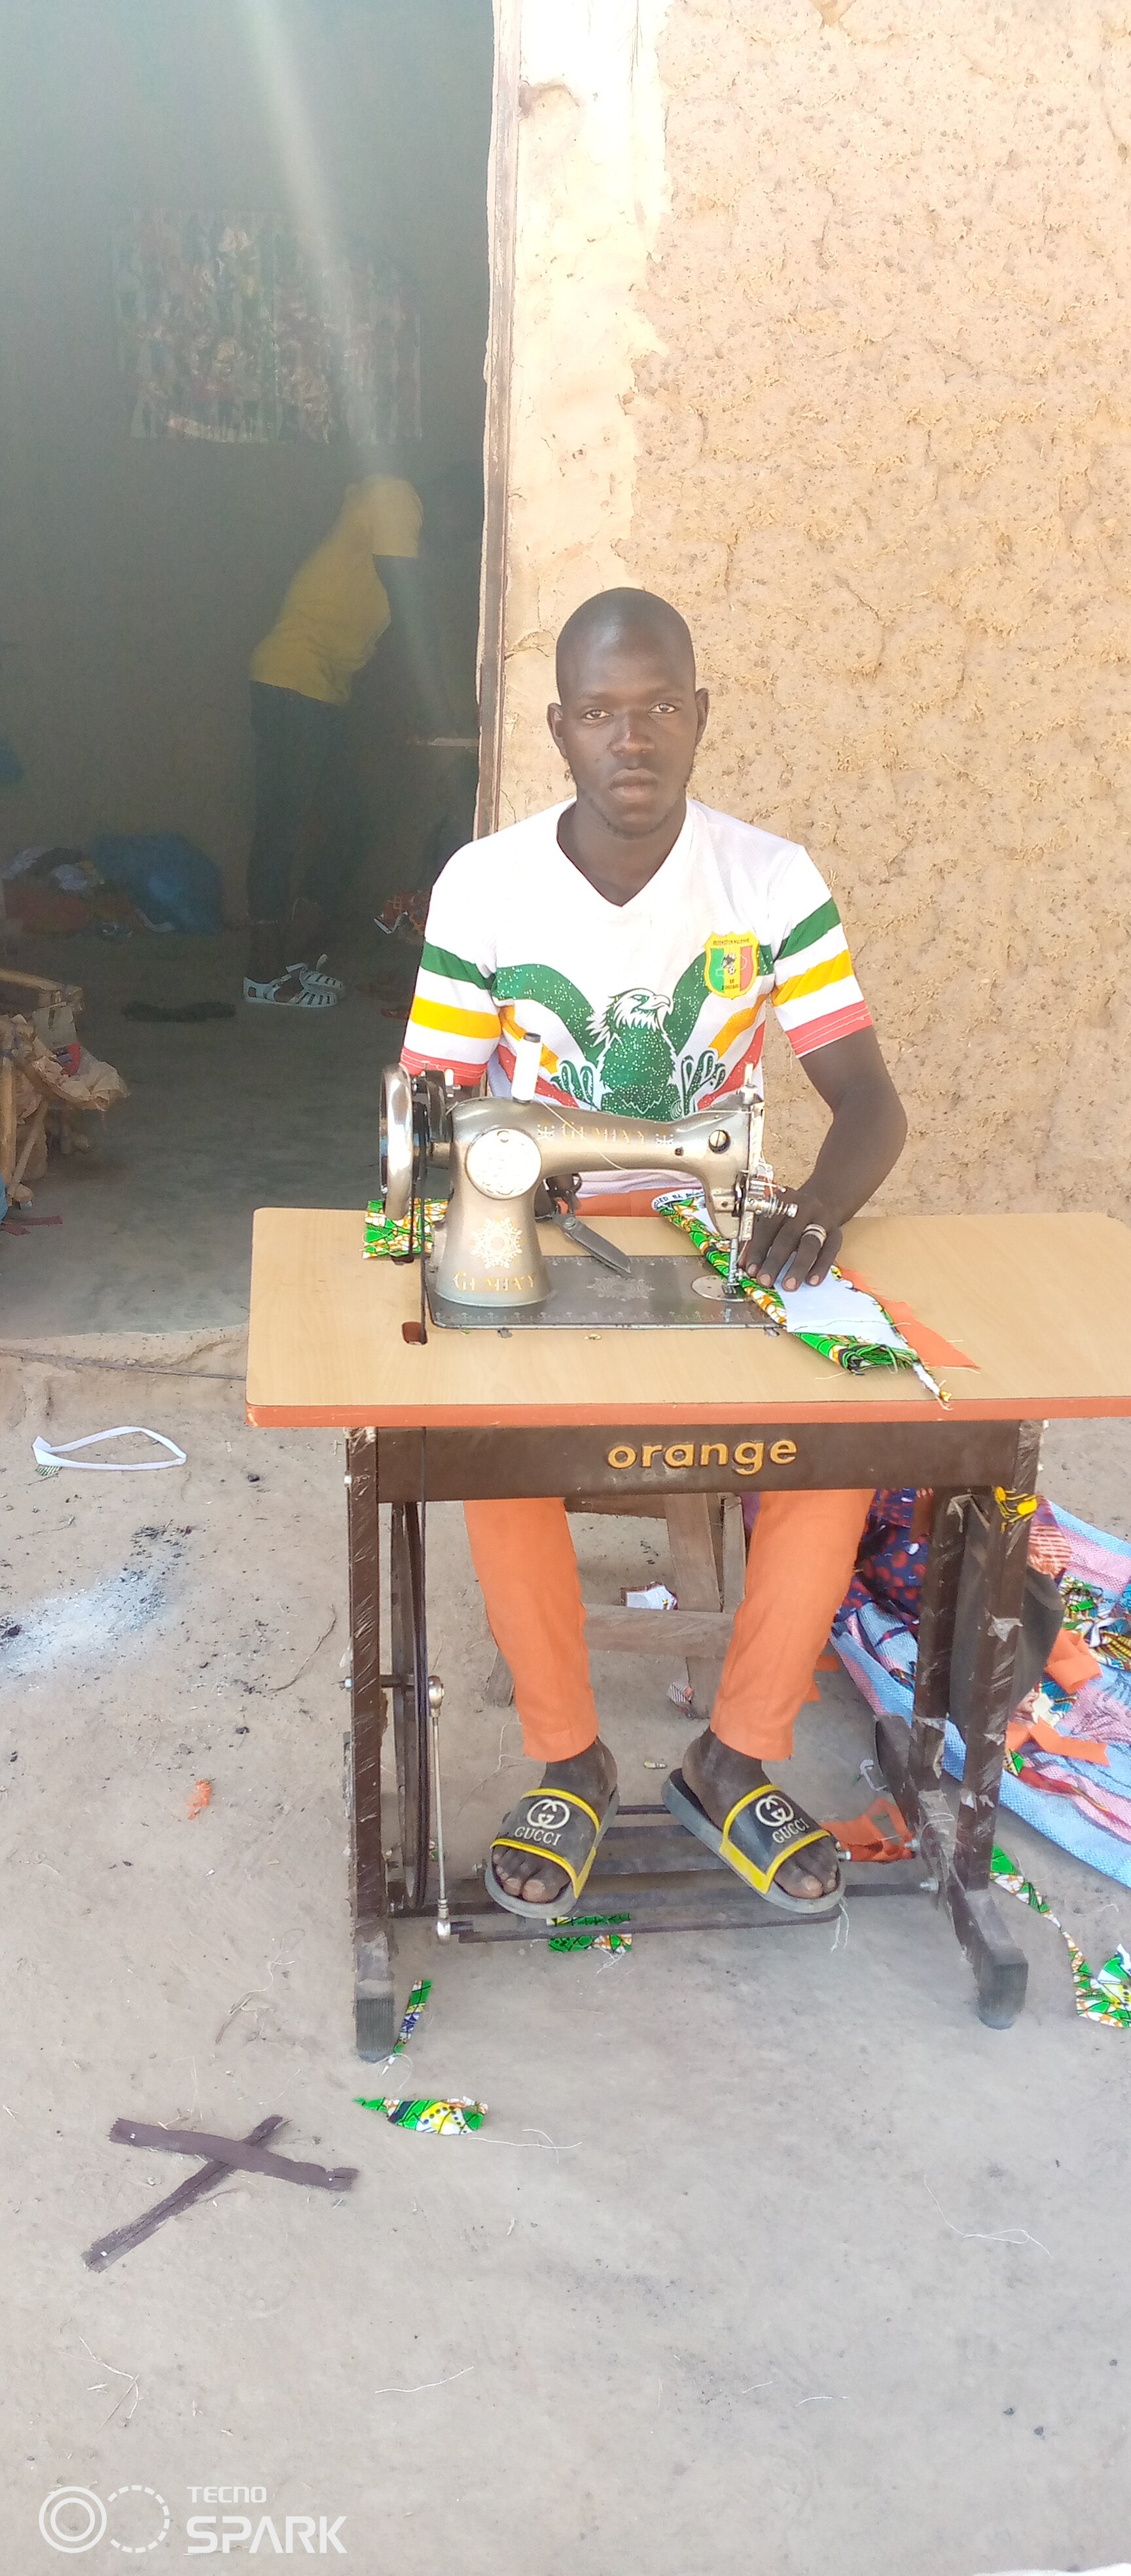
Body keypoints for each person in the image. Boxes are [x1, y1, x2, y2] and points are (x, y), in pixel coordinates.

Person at [401, 587, 908, 1916]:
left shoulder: (768, 878)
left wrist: (823, 1212)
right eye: (602, 714)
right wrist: (448, 1199)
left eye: (661, 708)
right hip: (546, 1235)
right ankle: (568, 1759)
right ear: (561, 728)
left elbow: (867, 1102)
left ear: (700, 716)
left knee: (842, 1446)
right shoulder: (487, 886)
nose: (634, 739)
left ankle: (734, 1756)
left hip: (720, 1226)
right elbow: (429, 1105)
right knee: (490, 1449)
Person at [243, 465, 467, 1007]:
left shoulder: (405, 534)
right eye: (468, 522)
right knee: (283, 825)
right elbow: (412, 613)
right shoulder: (396, 498)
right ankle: (262, 975)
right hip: (289, 682)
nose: (465, 537)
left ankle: (294, 957)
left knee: (348, 824)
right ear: (450, 500)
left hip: (322, 692)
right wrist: (445, 715)